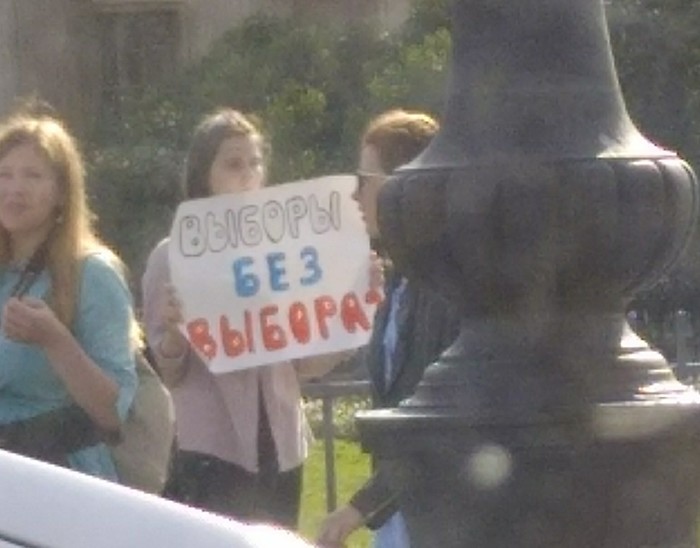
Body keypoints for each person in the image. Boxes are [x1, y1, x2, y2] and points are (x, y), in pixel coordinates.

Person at [142, 108, 347, 529]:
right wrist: (176, 337)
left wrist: (348, 313)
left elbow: (306, 363)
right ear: (205, 175)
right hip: (210, 448)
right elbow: (167, 370)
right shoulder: (173, 255)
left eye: (255, 162)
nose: (248, 174)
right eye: (233, 164)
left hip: (283, 445)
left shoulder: (285, 253)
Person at [316, 109, 461, 548]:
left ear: (405, 187)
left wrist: (359, 507)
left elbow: (436, 423)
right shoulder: (400, 281)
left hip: (445, 518)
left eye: (364, 179)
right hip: (404, 517)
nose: (355, 196)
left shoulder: (448, 286)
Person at [0, 106, 139, 480]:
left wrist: (55, 340)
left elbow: (112, 411)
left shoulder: (92, 273)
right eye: (5, 174)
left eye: (32, 176)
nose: (14, 188)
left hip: (60, 479)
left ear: (61, 192)